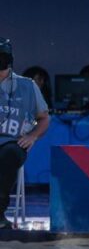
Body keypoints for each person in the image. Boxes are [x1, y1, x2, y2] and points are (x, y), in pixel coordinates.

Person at [0, 38, 49, 229]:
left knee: (9, 154)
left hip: (12, 144)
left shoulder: (27, 86)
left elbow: (44, 118)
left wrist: (33, 136)